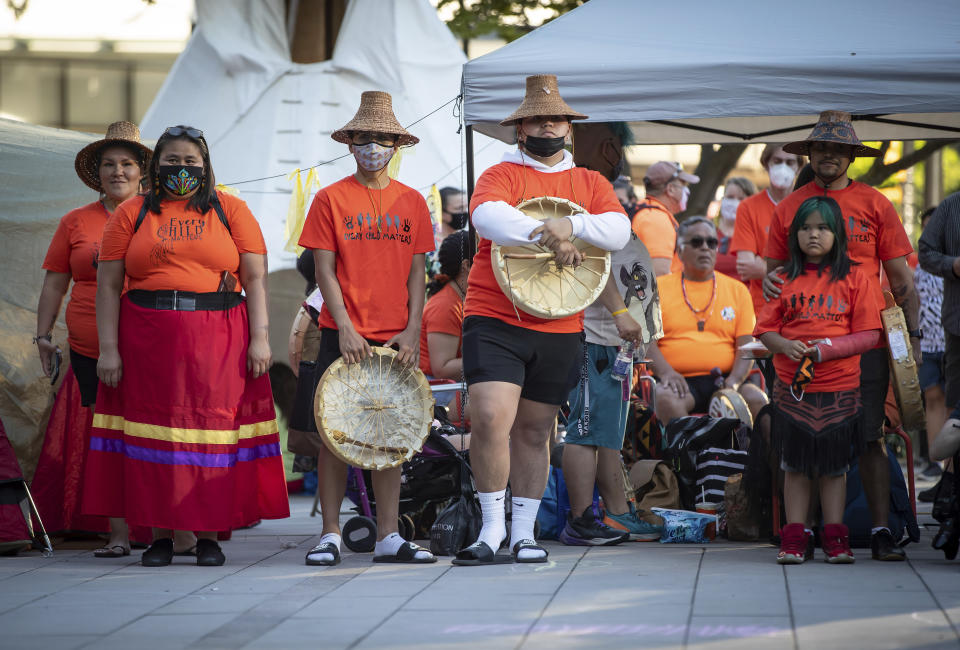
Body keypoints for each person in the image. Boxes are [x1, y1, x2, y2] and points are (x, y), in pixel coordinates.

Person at [84, 125, 290, 567]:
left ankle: (208, 537)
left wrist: (260, 339)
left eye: (190, 162)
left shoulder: (231, 210)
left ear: (205, 166)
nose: (181, 169)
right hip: (145, 338)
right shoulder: (131, 213)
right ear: (156, 165)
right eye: (172, 161)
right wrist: (108, 349)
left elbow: (254, 278)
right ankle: (159, 537)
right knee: (152, 437)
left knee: (210, 436)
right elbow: (107, 286)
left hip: (219, 337)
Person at [452, 74, 631, 565]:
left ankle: (523, 534)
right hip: (495, 316)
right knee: (489, 417)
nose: (547, 125)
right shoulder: (501, 173)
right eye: (537, 118)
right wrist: (546, 234)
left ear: (569, 129)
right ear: (520, 127)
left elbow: (617, 231)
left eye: (555, 118)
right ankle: (491, 530)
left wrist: (570, 224)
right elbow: (486, 217)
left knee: (534, 430)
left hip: (559, 324)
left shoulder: (590, 183)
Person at [763, 110, 919, 561]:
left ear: (851, 155)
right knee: (802, 440)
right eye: (821, 147)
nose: (828, 155)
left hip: (863, 337)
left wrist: (909, 337)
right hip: (800, 343)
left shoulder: (877, 203)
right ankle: (805, 532)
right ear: (810, 153)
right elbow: (776, 272)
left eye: (838, 148)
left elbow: (901, 276)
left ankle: (881, 530)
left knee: (870, 436)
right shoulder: (789, 208)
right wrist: (773, 292)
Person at [298, 91, 437, 567]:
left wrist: (413, 328)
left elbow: (418, 272)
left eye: (381, 138)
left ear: (397, 144)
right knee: (336, 433)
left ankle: (388, 536)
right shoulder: (329, 198)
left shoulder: (413, 202)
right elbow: (323, 271)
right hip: (343, 334)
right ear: (350, 143)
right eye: (364, 137)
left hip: (396, 334)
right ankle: (331, 533)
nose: (372, 146)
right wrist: (347, 326)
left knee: (392, 434)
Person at [33, 121, 152, 557]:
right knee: (107, 439)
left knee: (149, 435)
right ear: (96, 173)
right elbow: (53, 284)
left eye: (126, 163)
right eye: (108, 164)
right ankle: (118, 535)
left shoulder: (157, 216)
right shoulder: (76, 221)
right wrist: (43, 336)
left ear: (142, 171)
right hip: (89, 349)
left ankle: (158, 528)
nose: (117, 171)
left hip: (149, 342)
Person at [756, 196, 883, 564]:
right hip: (792, 390)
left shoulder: (856, 276)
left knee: (833, 468)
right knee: (794, 466)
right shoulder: (781, 279)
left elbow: (870, 335)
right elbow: (764, 329)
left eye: (823, 228)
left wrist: (825, 349)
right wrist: (785, 344)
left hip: (839, 388)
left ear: (837, 234)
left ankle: (835, 537)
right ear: (794, 234)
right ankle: (794, 537)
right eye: (805, 228)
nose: (813, 235)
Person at [648, 217, 767, 423]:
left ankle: (760, 456)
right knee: (666, 398)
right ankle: (688, 456)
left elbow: (747, 344)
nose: (705, 248)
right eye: (696, 242)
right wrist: (667, 373)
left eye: (711, 243)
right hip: (678, 382)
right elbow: (646, 342)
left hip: (727, 378)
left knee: (758, 400)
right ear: (680, 250)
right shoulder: (657, 288)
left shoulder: (737, 290)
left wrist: (735, 382)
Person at [730, 145, 803, 315]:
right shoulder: (748, 207)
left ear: (799, 167)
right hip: (763, 306)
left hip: (803, 305)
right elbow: (747, 267)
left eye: (789, 162)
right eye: (777, 161)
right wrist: (797, 270)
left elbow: (820, 266)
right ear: (766, 164)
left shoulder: (808, 204)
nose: (783, 167)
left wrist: (763, 269)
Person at [914, 207, 947, 480]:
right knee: (932, 398)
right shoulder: (917, 267)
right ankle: (935, 460)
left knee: (952, 402)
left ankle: (951, 465)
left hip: (952, 342)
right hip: (927, 344)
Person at [420, 230, 469, 392]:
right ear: (466, 266)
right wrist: (495, 356)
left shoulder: (462, 296)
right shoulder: (446, 305)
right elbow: (441, 369)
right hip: (435, 389)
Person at [632, 161, 700, 276]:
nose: (686, 190)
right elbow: (660, 273)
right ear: (671, 189)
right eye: (683, 184)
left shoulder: (649, 212)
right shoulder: (656, 219)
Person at [715, 177, 756, 278]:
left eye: (741, 198)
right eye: (730, 197)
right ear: (723, 199)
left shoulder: (756, 235)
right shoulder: (707, 232)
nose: (734, 202)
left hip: (744, 292)